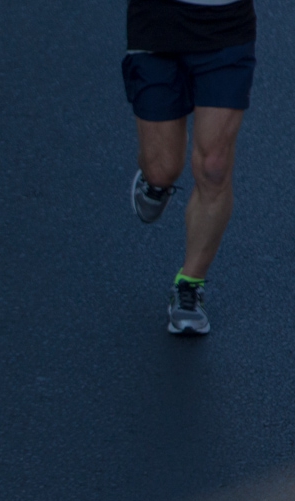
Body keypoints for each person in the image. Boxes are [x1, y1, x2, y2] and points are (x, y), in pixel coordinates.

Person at [124, 0, 256, 335]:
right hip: (158, 20)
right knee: (162, 167)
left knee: (215, 166)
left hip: (226, 24)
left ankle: (190, 285)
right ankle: (154, 182)